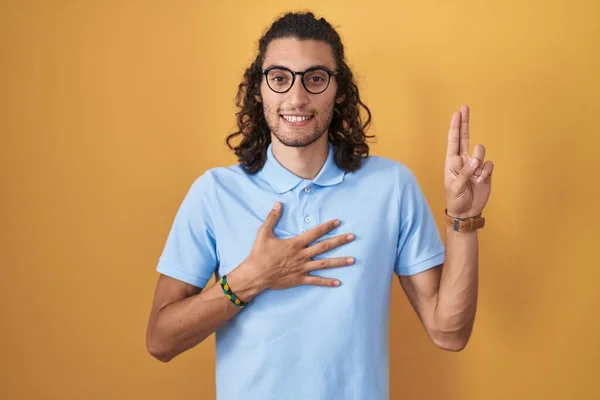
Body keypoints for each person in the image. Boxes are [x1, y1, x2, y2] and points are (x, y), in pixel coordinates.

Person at [146, 11, 494, 400]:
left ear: (339, 90)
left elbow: (449, 333)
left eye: (315, 79)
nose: (297, 98)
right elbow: (161, 340)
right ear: (259, 89)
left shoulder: (392, 186)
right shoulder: (214, 192)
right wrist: (251, 278)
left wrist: (463, 219)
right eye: (279, 78)